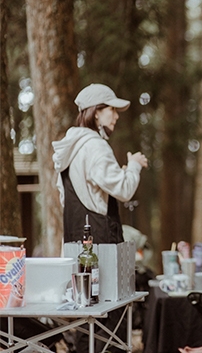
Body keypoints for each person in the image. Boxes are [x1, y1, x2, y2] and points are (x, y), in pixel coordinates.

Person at [52, 83, 148, 352]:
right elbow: (124, 189)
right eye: (112, 110)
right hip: (102, 248)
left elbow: (64, 198)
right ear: (96, 113)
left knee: (87, 319)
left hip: (76, 244)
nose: (116, 116)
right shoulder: (95, 147)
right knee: (109, 321)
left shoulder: (68, 151)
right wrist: (134, 167)